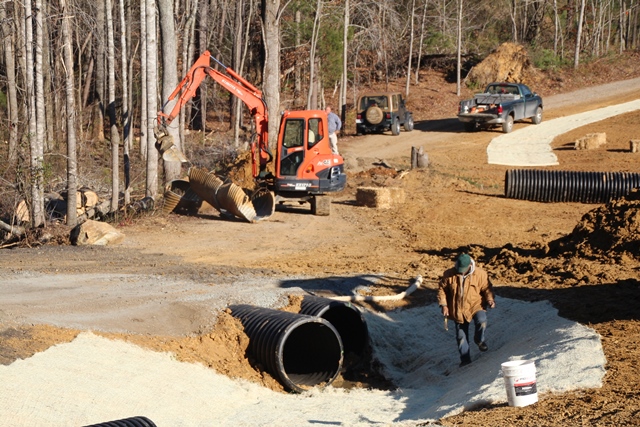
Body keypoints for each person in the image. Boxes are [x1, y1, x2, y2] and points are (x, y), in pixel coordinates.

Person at [438, 253, 495, 367]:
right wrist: (444, 305)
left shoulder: (480, 274)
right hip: (458, 308)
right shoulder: (449, 274)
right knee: (461, 336)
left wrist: (490, 300)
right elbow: (442, 290)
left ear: (470, 265)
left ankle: (479, 340)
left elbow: (487, 288)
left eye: (463, 270)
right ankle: (465, 360)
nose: (460, 272)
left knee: (482, 320)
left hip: (475, 304)